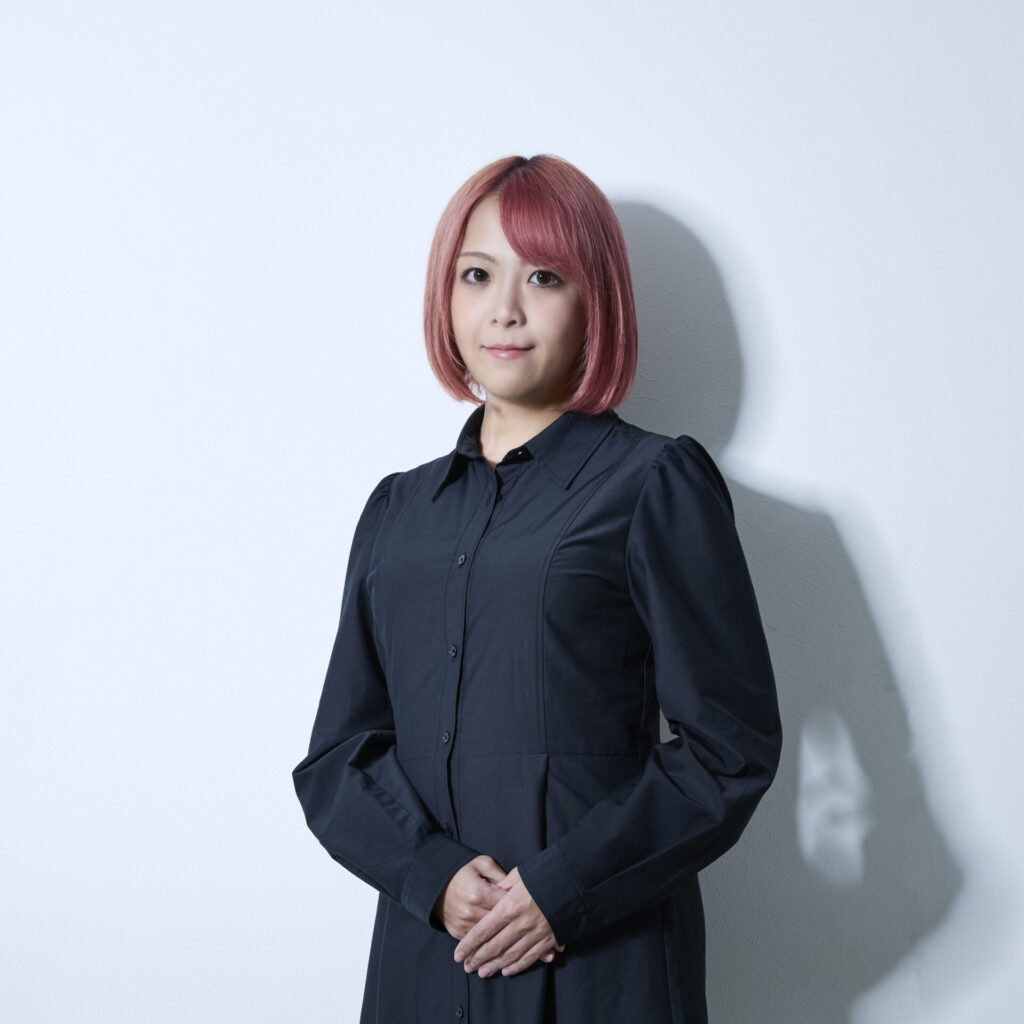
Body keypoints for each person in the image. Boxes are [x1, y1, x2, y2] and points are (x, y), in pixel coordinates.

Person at [292, 154, 782, 1023]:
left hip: (602, 969)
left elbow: (728, 748)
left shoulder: (653, 484)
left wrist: (565, 888)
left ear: (597, 301)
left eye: (544, 277)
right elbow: (339, 759)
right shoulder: (397, 511)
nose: (505, 309)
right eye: (477, 275)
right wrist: (432, 875)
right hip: (424, 966)